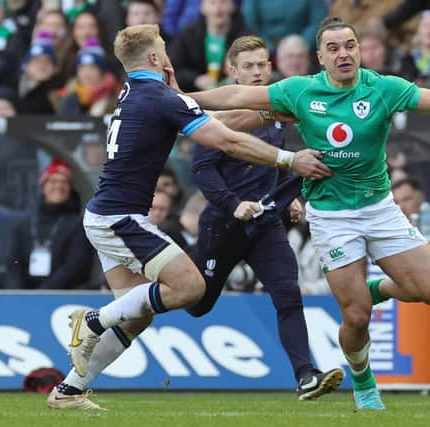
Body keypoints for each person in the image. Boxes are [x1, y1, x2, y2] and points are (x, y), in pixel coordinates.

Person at [187, 17, 430, 410]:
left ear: (359, 50)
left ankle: (375, 289)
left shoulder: (384, 88)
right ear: (320, 57)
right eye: (333, 48)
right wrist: (178, 99)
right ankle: (364, 381)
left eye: (350, 46)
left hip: (380, 208)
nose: (344, 54)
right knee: (356, 319)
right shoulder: (301, 91)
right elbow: (236, 97)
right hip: (331, 216)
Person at [49, 23, 330, 410]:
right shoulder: (159, 97)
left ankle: (69, 390)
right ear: (153, 58)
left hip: (105, 215)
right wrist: (288, 159)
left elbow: (221, 122)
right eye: (162, 47)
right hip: (121, 219)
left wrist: (269, 117)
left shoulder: (136, 92)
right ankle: (93, 321)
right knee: (190, 288)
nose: (167, 53)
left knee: (136, 314)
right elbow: (226, 139)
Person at [188, 35, 344, 400]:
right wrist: (232, 204)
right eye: (248, 67)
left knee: (288, 295)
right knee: (196, 303)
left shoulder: (276, 110)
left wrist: (288, 194)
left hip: (265, 225)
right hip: (223, 226)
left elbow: (273, 161)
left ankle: (306, 375)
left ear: (270, 67)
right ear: (233, 72)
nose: (257, 72)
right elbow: (203, 170)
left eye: (262, 65)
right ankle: (123, 312)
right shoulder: (223, 115)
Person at [5, 159, 94, 290]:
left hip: (63, 297)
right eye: (53, 181)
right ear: (43, 186)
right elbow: (13, 265)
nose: (58, 186)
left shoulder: (79, 225)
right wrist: (17, 295)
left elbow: (75, 267)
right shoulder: (24, 226)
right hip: (24, 297)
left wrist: (43, 294)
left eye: (64, 182)